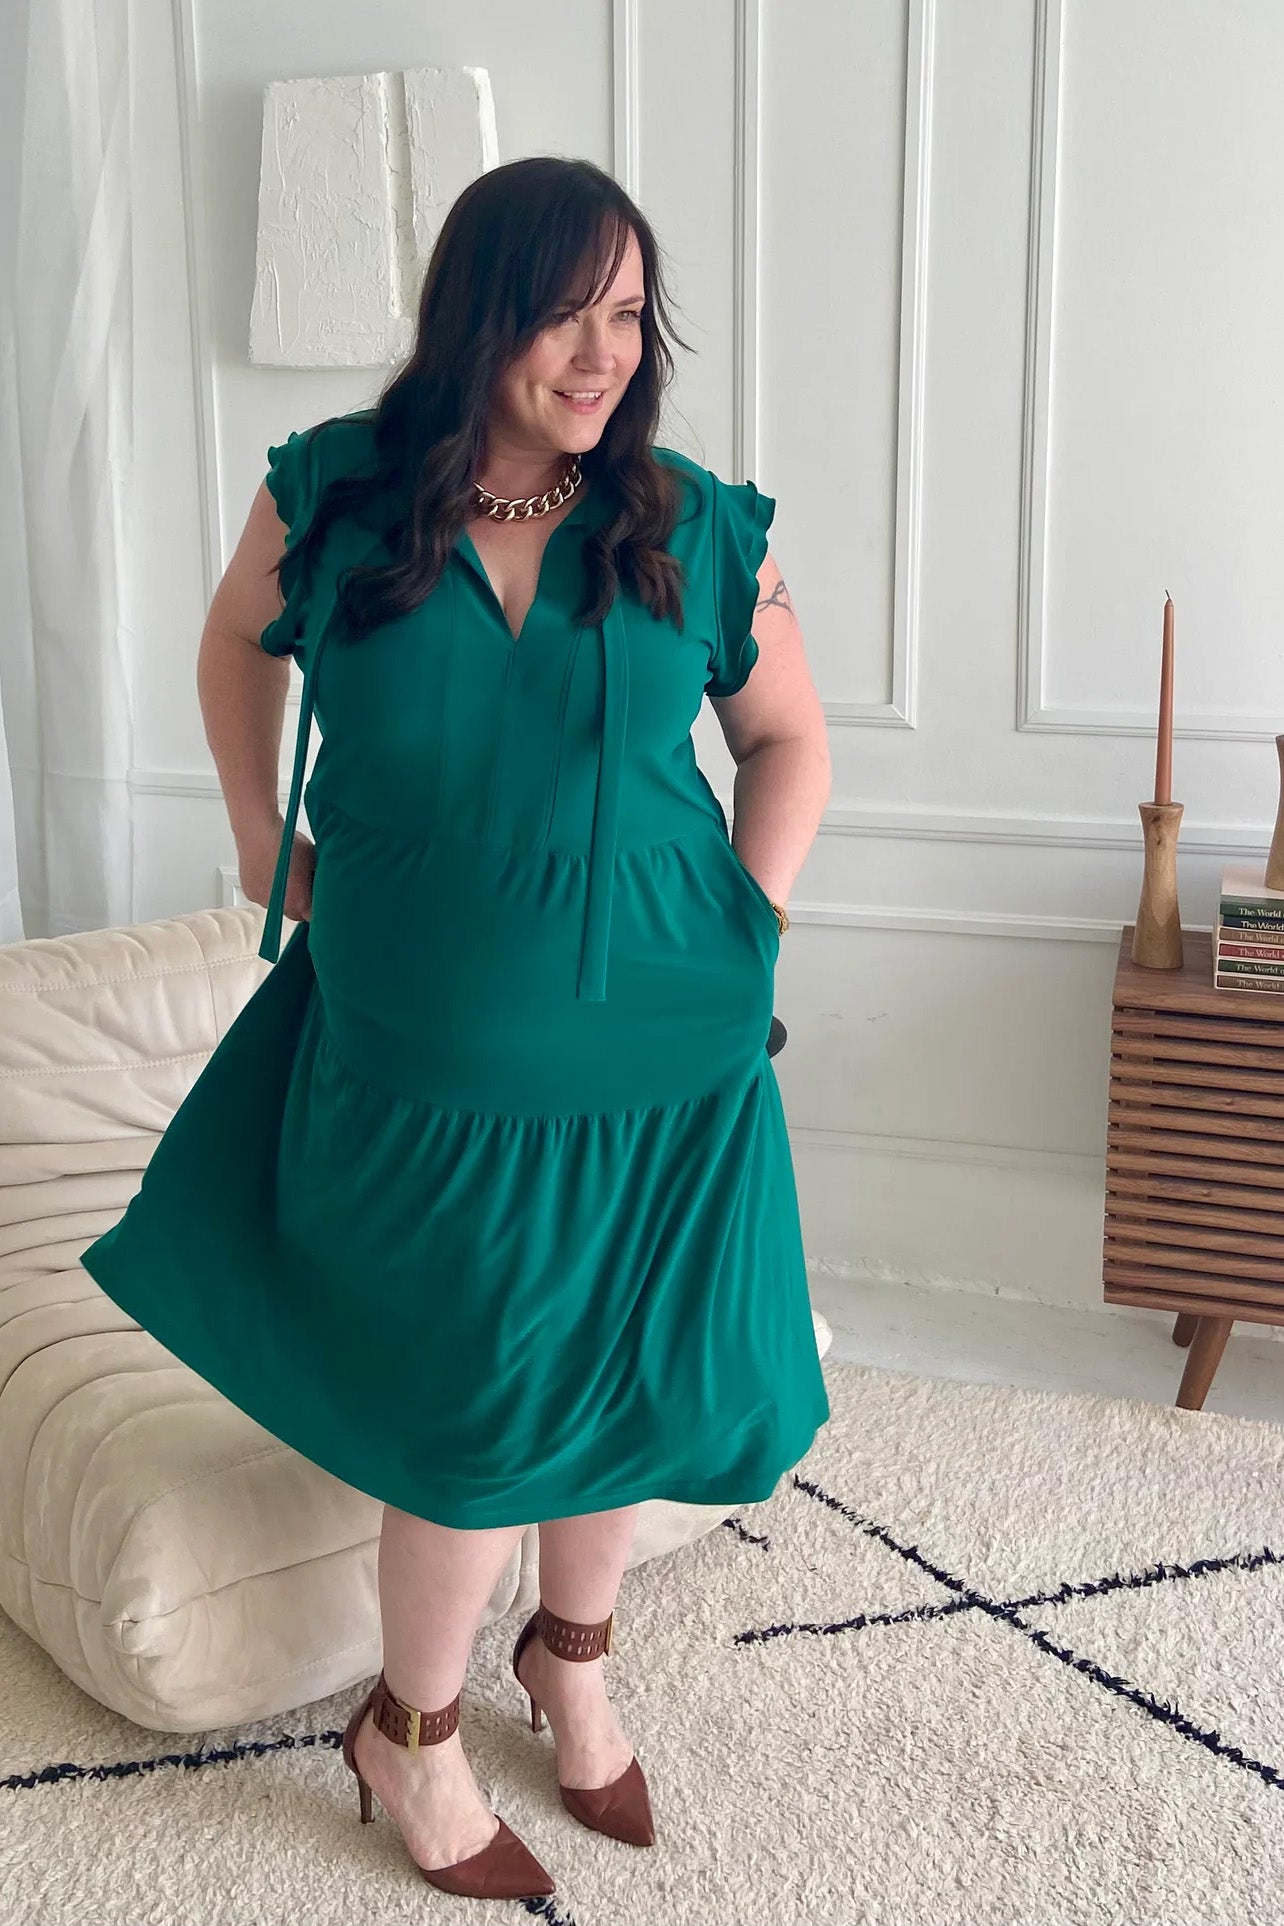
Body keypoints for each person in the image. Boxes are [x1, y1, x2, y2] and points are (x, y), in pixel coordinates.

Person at [78, 154, 832, 1901]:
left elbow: (787, 743)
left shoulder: (694, 518)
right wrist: (265, 838)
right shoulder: (339, 494)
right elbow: (226, 653)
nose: (602, 350)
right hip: (427, 1060)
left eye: (631, 313)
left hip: (667, 1046)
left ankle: (571, 1660)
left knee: (624, 1382)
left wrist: (746, 923)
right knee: (476, 1416)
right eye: (566, 308)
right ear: (476, 308)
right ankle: (404, 1732)